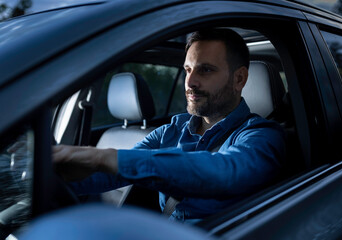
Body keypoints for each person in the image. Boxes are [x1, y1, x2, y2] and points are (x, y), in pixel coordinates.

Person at [53, 28, 286, 222]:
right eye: (187, 70)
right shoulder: (171, 130)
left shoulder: (261, 137)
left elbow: (224, 172)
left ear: (239, 79)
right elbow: (115, 174)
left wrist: (103, 157)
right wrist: (46, 180)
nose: (190, 82)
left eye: (206, 70)